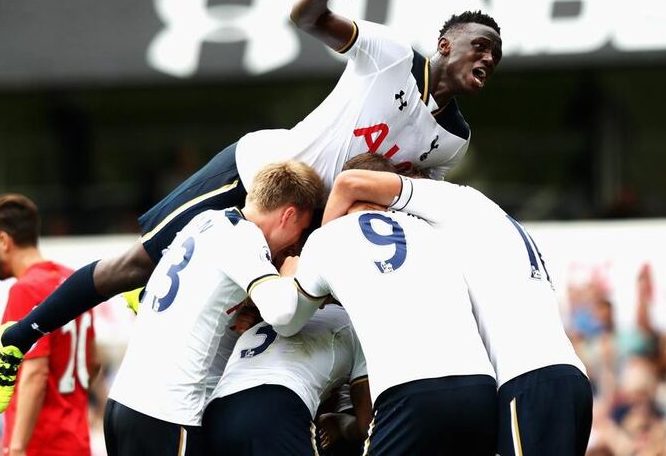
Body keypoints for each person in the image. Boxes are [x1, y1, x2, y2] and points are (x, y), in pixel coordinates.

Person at [0, 0, 503, 413]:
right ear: (443, 45)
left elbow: (415, 203)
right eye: (479, 46)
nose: (486, 60)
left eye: (494, 58)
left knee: (264, 328)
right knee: (133, 265)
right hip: (260, 174)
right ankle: (17, 338)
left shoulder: (454, 139)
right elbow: (305, 19)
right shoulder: (391, 55)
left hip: (305, 228)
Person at [320, 169, 593, 455]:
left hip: (529, 381)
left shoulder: (449, 201)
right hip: (560, 376)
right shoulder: (485, 218)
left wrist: (326, 250)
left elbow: (348, 183)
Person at [103, 161, 325, 456]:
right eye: (302, 228)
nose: (296, 242)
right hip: (167, 414)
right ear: (289, 215)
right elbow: (282, 314)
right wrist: (291, 276)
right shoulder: (244, 238)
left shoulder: (205, 221)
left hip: (123, 403)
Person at [250, 196, 498, 453]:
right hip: (479, 387)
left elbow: (286, 323)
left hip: (409, 390)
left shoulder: (328, 237)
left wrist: (288, 276)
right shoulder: (428, 230)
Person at [0, 194, 99, 456]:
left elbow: (35, 373)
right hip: (77, 440)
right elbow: (93, 364)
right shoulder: (74, 280)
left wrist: (17, 448)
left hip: (41, 444)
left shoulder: (26, 289)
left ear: (4, 241)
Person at [202, 303, 371, 455]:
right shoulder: (355, 322)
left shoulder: (267, 318)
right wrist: (338, 422)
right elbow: (367, 425)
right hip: (276, 407)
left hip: (215, 414)